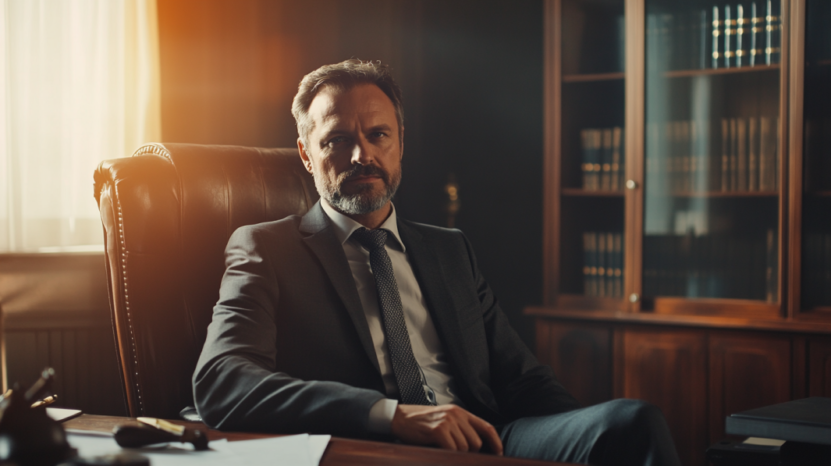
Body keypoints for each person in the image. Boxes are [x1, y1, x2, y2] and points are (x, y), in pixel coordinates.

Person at [193, 59, 681, 465]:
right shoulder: (266, 248)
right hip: (372, 448)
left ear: (400, 142)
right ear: (305, 153)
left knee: (631, 425)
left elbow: (523, 380)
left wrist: (575, 437)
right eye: (337, 140)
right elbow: (223, 380)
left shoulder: (449, 250)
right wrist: (392, 414)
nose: (362, 154)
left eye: (378, 134)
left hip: (485, 440)